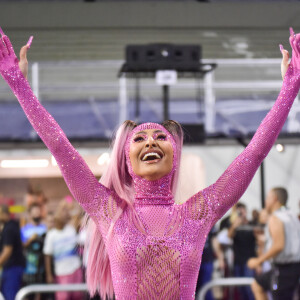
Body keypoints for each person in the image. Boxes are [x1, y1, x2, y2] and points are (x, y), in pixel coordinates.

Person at [0, 27, 299, 299]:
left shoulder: (198, 213)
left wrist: (290, 89)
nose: (151, 141)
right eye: (140, 139)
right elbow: (60, 148)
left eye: (161, 137)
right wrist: (19, 85)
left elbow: (254, 154)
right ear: (127, 160)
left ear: (175, 155)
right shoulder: (109, 210)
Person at [248, 187, 300, 300]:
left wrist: (258, 260)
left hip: (284, 269)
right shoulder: (293, 216)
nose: (265, 201)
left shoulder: (276, 218)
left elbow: (278, 245)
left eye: (267, 198)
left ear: (275, 199)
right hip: (292, 267)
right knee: (257, 285)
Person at [43, 200, 83, 300]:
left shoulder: (71, 229)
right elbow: (47, 256)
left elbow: (77, 214)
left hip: (76, 269)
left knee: (77, 296)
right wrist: (49, 274)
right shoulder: (51, 235)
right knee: (63, 297)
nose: (64, 215)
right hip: (61, 272)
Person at [227, 203, 256, 300]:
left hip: (250, 261)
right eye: (239, 211)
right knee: (241, 290)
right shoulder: (234, 226)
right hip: (238, 261)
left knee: (250, 289)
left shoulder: (252, 224)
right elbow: (229, 236)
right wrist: (235, 224)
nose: (241, 212)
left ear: (246, 211)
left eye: (242, 210)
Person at [21, 203, 47, 300]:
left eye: (38, 212)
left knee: (40, 293)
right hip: (29, 268)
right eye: (35, 212)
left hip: (42, 267)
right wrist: (31, 239)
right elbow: (22, 246)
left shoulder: (44, 227)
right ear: (30, 214)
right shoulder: (24, 229)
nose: (37, 214)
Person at [0, 204, 25, 300]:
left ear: (4, 214)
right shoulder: (13, 225)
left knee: (10, 295)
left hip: (12, 268)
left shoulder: (9, 229)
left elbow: (7, 252)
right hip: (15, 267)